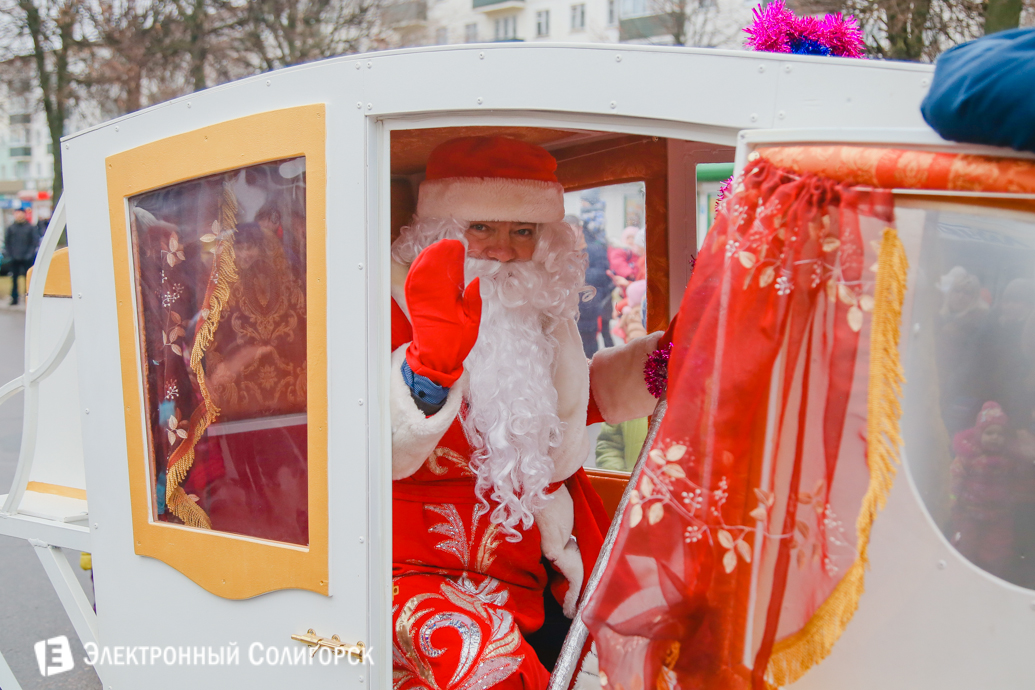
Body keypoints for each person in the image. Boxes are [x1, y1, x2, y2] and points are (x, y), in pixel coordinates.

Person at [389, 136, 665, 690]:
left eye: (523, 231)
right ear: (440, 230)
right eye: (481, 227)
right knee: (488, 669)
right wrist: (428, 372)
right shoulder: (381, 302)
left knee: (659, 638)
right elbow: (367, 449)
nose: (503, 251)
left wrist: (668, 359)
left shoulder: (531, 309)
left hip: (533, 559)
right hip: (412, 564)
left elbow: (577, 402)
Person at [572, 213, 614, 357]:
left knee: (589, 348)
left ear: (579, 229)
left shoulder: (594, 248)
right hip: (569, 310)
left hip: (589, 305)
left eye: (572, 230)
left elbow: (603, 274)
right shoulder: (561, 249)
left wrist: (576, 275)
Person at [3, 208, 39, 305]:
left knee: (28, 278)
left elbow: (34, 242)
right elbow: (7, 242)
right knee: (14, 279)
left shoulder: (30, 228)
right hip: (14, 257)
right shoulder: (11, 228)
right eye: (17, 213)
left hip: (27, 257)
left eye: (20, 213)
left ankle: (28, 296)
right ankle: (14, 298)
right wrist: (10, 254)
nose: (18, 215)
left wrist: (29, 254)